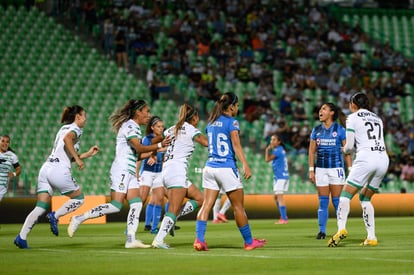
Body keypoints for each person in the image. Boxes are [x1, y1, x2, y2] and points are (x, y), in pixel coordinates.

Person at [67, 99, 171, 249]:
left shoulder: (134, 127)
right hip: (121, 169)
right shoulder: (129, 126)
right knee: (116, 205)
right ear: (138, 112)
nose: (148, 115)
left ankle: (130, 239)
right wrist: (159, 145)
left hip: (129, 171)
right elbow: (139, 147)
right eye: (146, 111)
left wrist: (154, 152)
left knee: (136, 203)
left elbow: (137, 154)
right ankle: (79, 218)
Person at [14, 105, 99, 249]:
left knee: (40, 207)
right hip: (59, 171)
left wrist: (87, 155)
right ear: (77, 117)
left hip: (46, 169)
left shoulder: (63, 129)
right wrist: (78, 160)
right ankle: (56, 215)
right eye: (84, 115)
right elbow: (68, 140)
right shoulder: (75, 130)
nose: (85, 119)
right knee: (79, 198)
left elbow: (66, 154)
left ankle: (21, 237)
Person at [194, 92, 266, 251]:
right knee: (238, 207)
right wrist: (246, 164)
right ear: (231, 106)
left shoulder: (211, 122)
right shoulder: (232, 122)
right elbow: (236, 145)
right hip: (226, 168)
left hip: (210, 168)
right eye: (237, 105)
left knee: (206, 205)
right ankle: (249, 242)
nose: (238, 108)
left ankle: (199, 240)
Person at [328, 92, 389, 247]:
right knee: (365, 199)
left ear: (353, 104)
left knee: (344, 196)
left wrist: (345, 150)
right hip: (383, 159)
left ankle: (341, 229)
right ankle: (371, 237)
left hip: (365, 159)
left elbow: (349, 146)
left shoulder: (352, 118)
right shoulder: (377, 118)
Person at [151, 103, 207, 249]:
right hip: (176, 172)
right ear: (194, 118)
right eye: (197, 117)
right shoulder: (190, 129)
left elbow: (153, 140)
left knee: (200, 199)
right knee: (173, 210)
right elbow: (205, 143)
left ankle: (172, 219)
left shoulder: (172, 129)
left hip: (168, 171)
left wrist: (158, 147)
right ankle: (159, 240)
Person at [308, 102, 352, 240]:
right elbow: (311, 152)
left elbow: (347, 152)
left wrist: (350, 169)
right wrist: (311, 170)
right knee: (323, 201)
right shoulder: (316, 130)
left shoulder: (340, 130)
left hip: (336, 168)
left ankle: (341, 229)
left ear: (331, 113)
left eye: (324, 109)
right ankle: (322, 231)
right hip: (321, 169)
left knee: (337, 201)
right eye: (320, 109)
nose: (320, 111)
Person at [139, 116, 166, 234]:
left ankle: (154, 228)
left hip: (159, 172)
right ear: (152, 127)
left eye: (162, 127)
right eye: (158, 127)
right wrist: (152, 154)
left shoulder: (164, 139)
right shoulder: (147, 139)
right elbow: (140, 154)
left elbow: (164, 155)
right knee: (142, 199)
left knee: (159, 199)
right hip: (147, 172)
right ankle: (131, 225)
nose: (161, 129)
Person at [265, 134, 290, 224]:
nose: (272, 141)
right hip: (282, 176)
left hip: (280, 177)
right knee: (276, 197)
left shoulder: (278, 151)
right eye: (271, 139)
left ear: (279, 142)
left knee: (280, 197)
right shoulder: (281, 150)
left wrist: (267, 150)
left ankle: (283, 218)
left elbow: (267, 160)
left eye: (274, 140)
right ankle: (283, 215)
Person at [0, 135, 21, 202]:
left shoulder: (12, 156)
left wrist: (14, 174)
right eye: (2, 141)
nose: (5, 144)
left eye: (7, 142)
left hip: (2, 188)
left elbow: (18, 169)